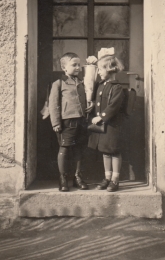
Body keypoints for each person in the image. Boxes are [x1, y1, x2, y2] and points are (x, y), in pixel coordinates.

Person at [49, 52, 93, 192]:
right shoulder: (59, 83)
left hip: (81, 120)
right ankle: (63, 178)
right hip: (66, 122)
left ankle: (77, 177)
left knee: (80, 148)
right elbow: (53, 104)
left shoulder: (82, 83)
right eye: (74, 65)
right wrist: (56, 123)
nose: (78, 67)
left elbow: (86, 98)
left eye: (79, 65)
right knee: (65, 148)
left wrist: (90, 105)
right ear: (64, 67)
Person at [88, 51, 125, 192]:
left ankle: (115, 180)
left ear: (110, 69)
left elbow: (113, 106)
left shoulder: (117, 87)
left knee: (114, 151)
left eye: (101, 69)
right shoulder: (101, 85)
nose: (98, 72)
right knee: (105, 151)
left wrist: (101, 117)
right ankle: (107, 178)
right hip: (102, 125)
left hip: (112, 125)